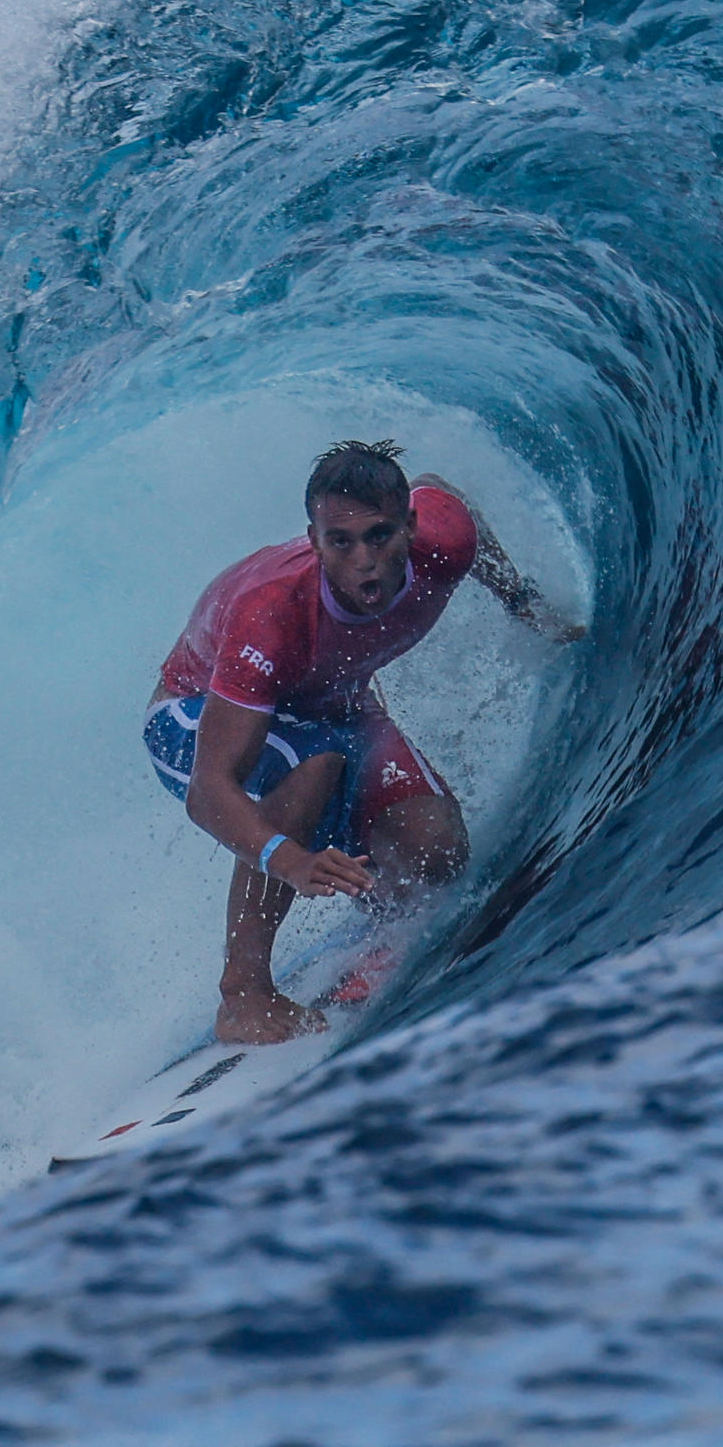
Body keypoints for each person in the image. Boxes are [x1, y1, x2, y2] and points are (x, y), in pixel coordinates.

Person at [143, 440, 584, 1042]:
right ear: (314, 538)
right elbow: (209, 790)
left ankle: (378, 922)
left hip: (333, 703)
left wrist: (520, 599)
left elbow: (441, 489)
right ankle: (243, 995)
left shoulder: (445, 543)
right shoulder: (269, 615)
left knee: (437, 855)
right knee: (315, 762)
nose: (363, 561)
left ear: (410, 525)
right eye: (339, 542)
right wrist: (289, 859)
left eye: (379, 535)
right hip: (193, 716)